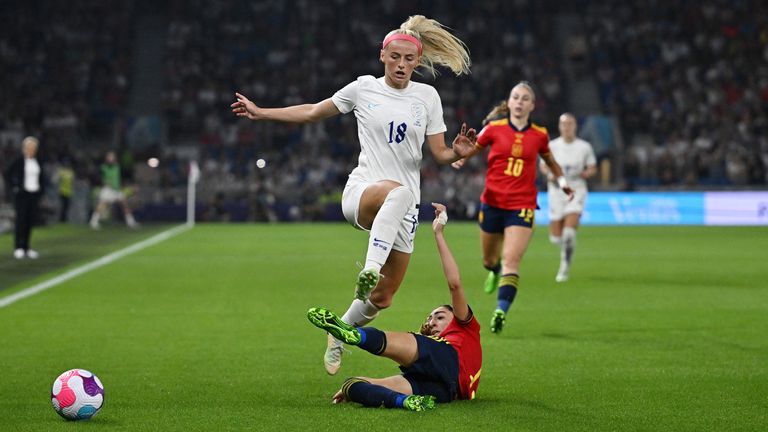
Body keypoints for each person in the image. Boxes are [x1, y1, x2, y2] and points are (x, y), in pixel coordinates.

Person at [231, 15, 475, 374]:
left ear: (417, 62)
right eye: (395, 57)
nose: (402, 65)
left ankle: (339, 333)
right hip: (364, 193)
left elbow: (439, 154)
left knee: (383, 298)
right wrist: (262, 112)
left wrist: (458, 152)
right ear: (382, 56)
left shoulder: (428, 97)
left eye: (410, 59)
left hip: (403, 209)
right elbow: (314, 112)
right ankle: (370, 269)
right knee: (399, 194)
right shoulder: (363, 88)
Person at [307, 203, 481, 411]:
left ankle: (353, 334)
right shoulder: (433, 346)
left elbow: (454, 284)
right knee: (351, 385)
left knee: (417, 343)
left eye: (440, 317)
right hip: (445, 391)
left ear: (456, 318)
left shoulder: (465, 329)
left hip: (449, 363)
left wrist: (439, 234)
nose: (432, 321)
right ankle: (404, 401)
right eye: (430, 318)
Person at [451, 82, 574, 334]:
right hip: (493, 202)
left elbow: (551, 161)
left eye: (524, 98)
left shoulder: (539, 134)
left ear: (531, 105)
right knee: (489, 260)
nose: (519, 101)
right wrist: (461, 157)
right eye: (515, 97)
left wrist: (562, 183)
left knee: (512, 260)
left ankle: (500, 311)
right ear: (509, 102)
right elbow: (474, 148)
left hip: (522, 204)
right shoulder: (494, 129)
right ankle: (493, 272)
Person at [539, 113, 596, 282]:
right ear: (559, 126)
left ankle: (564, 266)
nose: (567, 127)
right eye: (564, 124)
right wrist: (550, 174)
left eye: (570, 124)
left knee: (569, 233)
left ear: (575, 126)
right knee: (556, 238)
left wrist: (585, 173)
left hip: (576, 190)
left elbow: (592, 167)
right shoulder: (552, 146)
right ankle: (566, 252)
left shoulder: (584, 147)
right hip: (556, 192)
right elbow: (543, 166)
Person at [3, 136, 45, 259]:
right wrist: (15, 187)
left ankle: (26, 247)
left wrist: (41, 191)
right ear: (24, 148)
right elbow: (7, 173)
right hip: (22, 195)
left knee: (29, 221)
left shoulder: (38, 160)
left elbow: (42, 177)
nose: (32, 150)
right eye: (29, 147)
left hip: (34, 194)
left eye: (34, 147)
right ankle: (18, 247)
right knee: (21, 221)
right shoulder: (19, 160)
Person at [89, 151, 138, 229]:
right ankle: (93, 221)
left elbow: (123, 177)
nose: (110, 158)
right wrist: (103, 183)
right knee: (102, 204)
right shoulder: (103, 167)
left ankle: (130, 222)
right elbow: (96, 177)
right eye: (109, 157)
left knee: (124, 204)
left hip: (117, 189)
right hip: (108, 189)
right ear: (106, 158)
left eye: (112, 157)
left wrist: (128, 185)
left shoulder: (118, 167)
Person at [56, 157, 75, 222]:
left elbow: (72, 182)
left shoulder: (70, 172)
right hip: (62, 191)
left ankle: (64, 218)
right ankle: (60, 218)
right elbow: (56, 180)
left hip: (68, 191)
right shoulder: (61, 171)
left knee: (66, 206)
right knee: (61, 206)